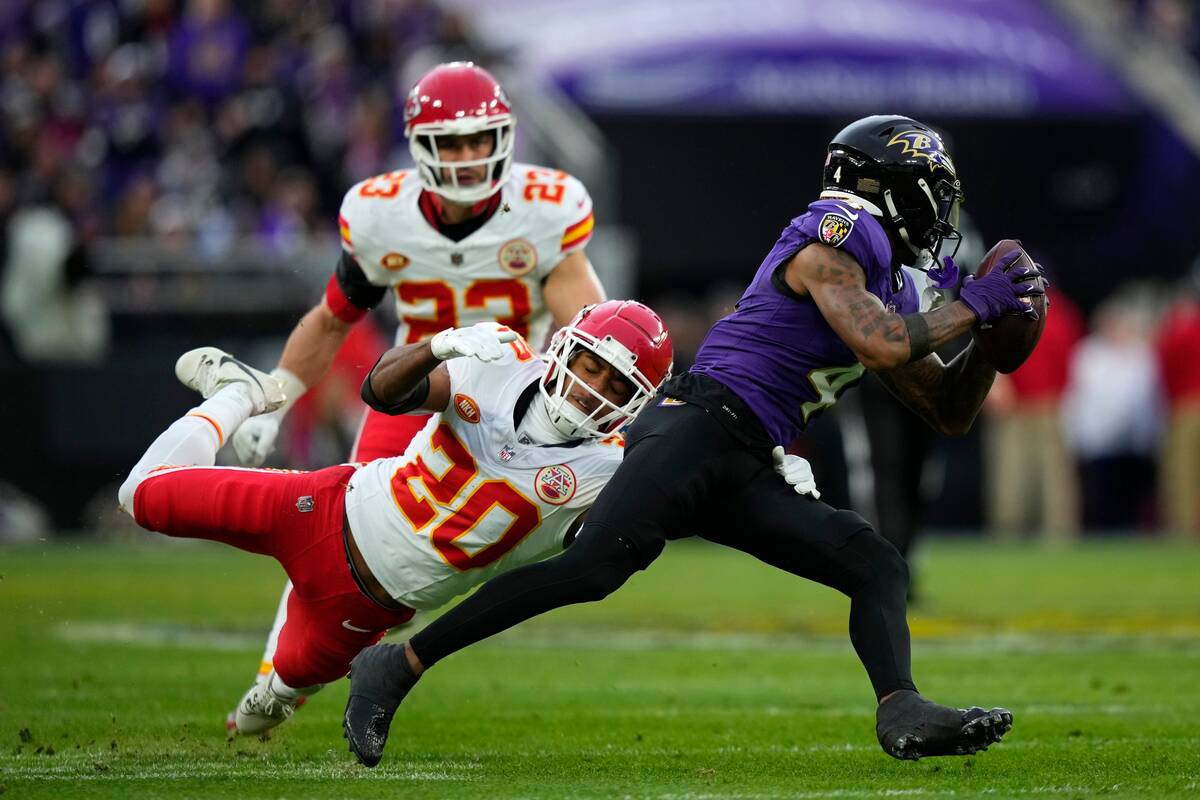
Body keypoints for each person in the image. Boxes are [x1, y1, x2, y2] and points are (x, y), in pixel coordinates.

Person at [343, 115, 1043, 767]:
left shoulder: (882, 277)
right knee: (591, 570)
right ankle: (398, 664)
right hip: (698, 421)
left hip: (742, 454)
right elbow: (879, 342)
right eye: (934, 196)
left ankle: (900, 707)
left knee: (876, 565)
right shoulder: (841, 227)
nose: (941, 216)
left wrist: (988, 342)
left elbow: (947, 410)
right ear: (892, 190)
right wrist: (972, 304)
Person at [119, 301, 729, 735]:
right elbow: (381, 393)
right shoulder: (500, 365)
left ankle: (266, 696)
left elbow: (689, 503)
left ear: (637, 402)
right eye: (589, 365)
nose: (589, 388)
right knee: (140, 498)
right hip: (324, 510)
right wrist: (437, 346)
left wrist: (761, 468)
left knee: (265, 709)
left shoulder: (613, 469)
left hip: (368, 610)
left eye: (615, 385)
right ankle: (241, 393)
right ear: (565, 349)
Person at [225, 61, 606, 728]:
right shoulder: (380, 214)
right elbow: (331, 319)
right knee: (334, 532)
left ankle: (327, 665)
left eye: (478, 140)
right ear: (419, 146)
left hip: (517, 405)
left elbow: (585, 323)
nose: (466, 158)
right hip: (417, 389)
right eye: (450, 143)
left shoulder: (547, 207)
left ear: (505, 138)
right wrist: (276, 397)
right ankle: (274, 676)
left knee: (425, 571)